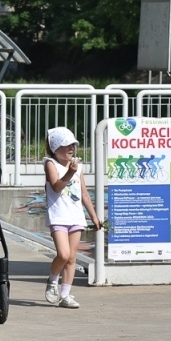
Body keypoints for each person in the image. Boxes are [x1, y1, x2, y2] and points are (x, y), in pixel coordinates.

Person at [42, 126, 100, 309]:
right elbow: (56, 187)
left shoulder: (78, 166)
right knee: (63, 254)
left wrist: (93, 216)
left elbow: (84, 193)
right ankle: (52, 281)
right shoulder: (51, 164)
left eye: (73, 146)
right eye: (66, 146)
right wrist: (70, 172)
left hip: (76, 216)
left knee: (72, 257)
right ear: (55, 148)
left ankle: (65, 295)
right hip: (58, 216)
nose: (71, 149)